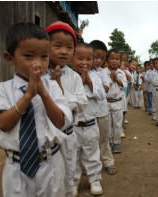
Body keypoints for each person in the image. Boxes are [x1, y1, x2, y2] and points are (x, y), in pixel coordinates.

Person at [0, 23, 73, 197]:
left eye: (44, 56)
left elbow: (60, 122)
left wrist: (43, 93)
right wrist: (28, 96)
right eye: (28, 56)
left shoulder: (53, 87)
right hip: (16, 167)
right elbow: (3, 124)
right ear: (9, 58)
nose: (38, 64)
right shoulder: (3, 89)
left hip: (50, 165)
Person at [46, 21, 88, 197]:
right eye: (58, 46)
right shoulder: (38, 74)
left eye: (69, 47)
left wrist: (61, 92)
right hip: (46, 139)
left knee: (69, 173)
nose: (64, 51)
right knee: (47, 178)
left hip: (68, 134)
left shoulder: (75, 77)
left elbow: (82, 102)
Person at [72, 42, 104, 196]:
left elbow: (101, 96)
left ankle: (95, 180)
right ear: (72, 59)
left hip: (91, 124)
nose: (84, 63)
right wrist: (79, 82)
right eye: (80, 58)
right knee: (73, 155)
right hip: (73, 126)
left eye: (88, 59)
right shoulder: (68, 77)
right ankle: (73, 182)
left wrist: (89, 82)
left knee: (92, 154)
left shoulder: (96, 77)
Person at [90, 40, 117, 175]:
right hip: (87, 113)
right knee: (88, 140)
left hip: (102, 111)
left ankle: (108, 161)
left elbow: (105, 89)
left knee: (104, 138)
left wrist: (94, 89)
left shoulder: (103, 72)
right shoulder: (81, 70)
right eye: (95, 57)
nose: (98, 61)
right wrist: (98, 90)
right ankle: (88, 163)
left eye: (101, 58)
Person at [106, 49, 127, 154]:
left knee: (117, 124)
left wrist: (116, 79)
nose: (114, 61)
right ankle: (109, 142)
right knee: (108, 124)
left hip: (118, 102)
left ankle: (117, 142)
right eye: (112, 58)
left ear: (119, 61)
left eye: (117, 59)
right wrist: (110, 79)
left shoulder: (121, 73)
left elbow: (125, 85)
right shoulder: (103, 71)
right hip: (106, 102)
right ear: (107, 60)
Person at [120, 51, 131, 132]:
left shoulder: (126, 71)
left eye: (125, 60)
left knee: (123, 110)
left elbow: (129, 78)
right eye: (121, 60)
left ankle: (121, 125)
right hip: (114, 96)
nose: (123, 62)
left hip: (123, 94)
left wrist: (123, 71)